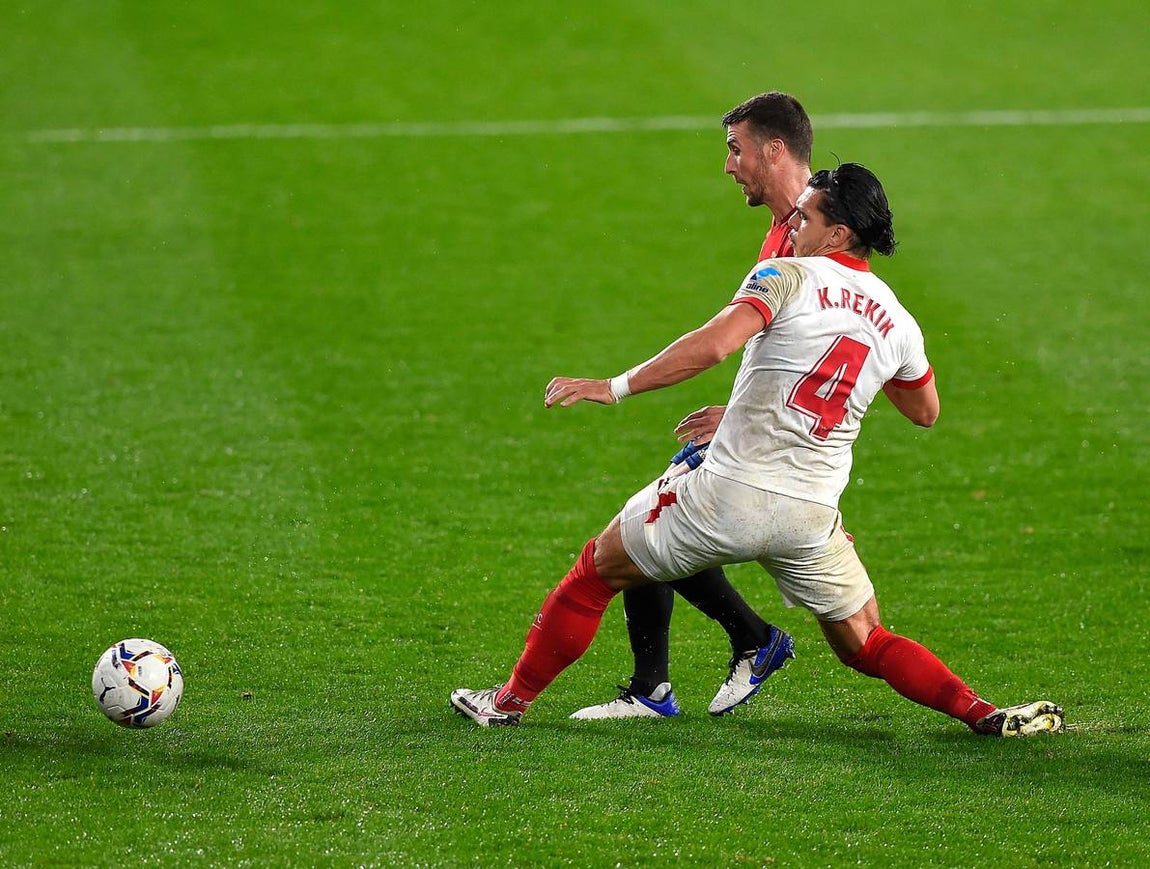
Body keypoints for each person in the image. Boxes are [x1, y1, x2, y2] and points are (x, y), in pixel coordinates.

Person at [451, 162, 1064, 737]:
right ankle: (982, 713)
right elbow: (924, 412)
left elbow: (713, 345)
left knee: (593, 575)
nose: (792, 225)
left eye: (805, 217)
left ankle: (507, 703)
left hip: (727, 497)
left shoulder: (785, 276)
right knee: (867, 642)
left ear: (837, 233)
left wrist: (613, 386)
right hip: (811, 519)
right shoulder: (898, 321)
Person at [570, 91, 813, 721]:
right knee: (652, 522)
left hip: (790, 444)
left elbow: (826, 351)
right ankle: (665, 680)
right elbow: (784, 345)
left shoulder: (813, 238)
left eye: (736, 150)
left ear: (774, 150)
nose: (728, 165)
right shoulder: (789, 227)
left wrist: (617, 386)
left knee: (652, 529)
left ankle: (741, 646)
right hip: (766, 428)